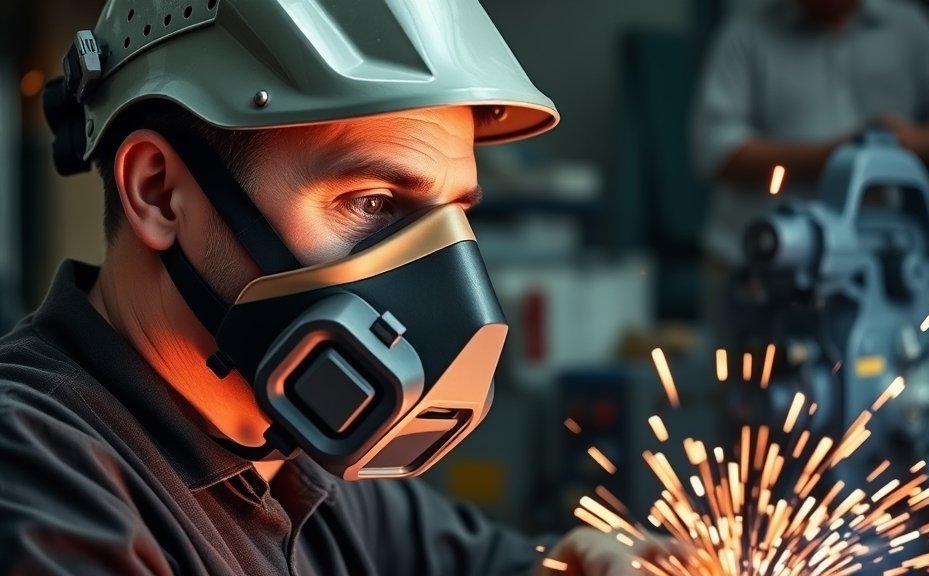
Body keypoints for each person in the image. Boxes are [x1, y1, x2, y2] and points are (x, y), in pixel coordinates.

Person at [0, 1, 666, 573]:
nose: (445, 276)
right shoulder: (38, 479)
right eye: (374, 203)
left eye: (457, 215)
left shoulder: (298, 453)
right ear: (160, 192)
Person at [691, 0, 929, 328]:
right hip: (762, 261)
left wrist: (911, 142)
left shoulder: (909, 28)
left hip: (876, 261)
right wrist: (833, 157)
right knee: (752, 370)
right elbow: (714, 149)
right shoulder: (746, 35)